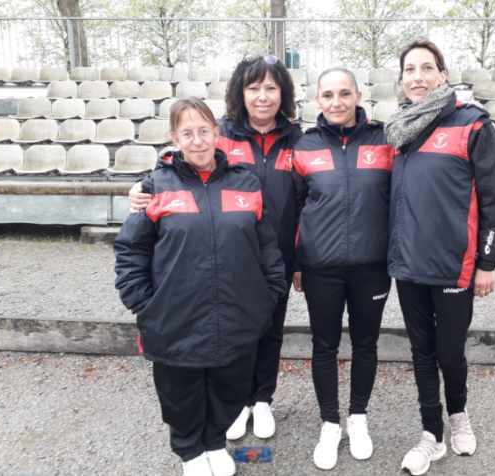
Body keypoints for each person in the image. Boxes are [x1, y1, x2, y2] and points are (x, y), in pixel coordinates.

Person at [129, 55, 302, 441]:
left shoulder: (297, 139)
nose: (262, 96)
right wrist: (141, 186)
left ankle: (263, 400)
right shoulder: (221, 133)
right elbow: (178, 162)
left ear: (283, 93)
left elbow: (309, 198)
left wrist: (299, 259)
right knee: (235, 334)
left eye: (271, 88)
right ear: (241, 92)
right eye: (254, 87)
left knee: (270, 330)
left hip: (275, 254)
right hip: (227, 257)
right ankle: (238, 404)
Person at [114, 98, 287, 476]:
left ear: (217, 134)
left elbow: (267, 248)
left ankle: (214, 442)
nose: (197, 141)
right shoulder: (155, 186)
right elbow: (131, 249)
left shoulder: (245, 183)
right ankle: (191, 450)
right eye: (187, 133)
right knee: (182, 389)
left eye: (204, 131)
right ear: (174, 138)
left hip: (236, 314)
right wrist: (143, 302)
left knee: (229, 384)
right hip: (175, 317)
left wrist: (267, 296)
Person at [384, 39, 495, 476]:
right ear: (401, 79)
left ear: (442, 73)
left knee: (450, 351)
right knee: (421, 350)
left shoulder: (472, 124)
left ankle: (458, 414)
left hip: (455, 265)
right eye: (409, 69)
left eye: (426, 68)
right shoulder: (398, 130)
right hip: (409, 263)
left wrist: (487, 263)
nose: (417, 77)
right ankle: (430, 434)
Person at [292, 67, 393, 470]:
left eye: (344, 93)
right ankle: (330, 423)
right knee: (324, 346)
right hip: (321, 268)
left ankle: (358, 418)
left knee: (366, 344)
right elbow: (294, 208)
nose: (336, 102)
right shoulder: (304, 146)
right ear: (318, 100)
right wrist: (298, 262)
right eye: (328, 95)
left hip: (372, 266)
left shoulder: (384, 140)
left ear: (358, 95)